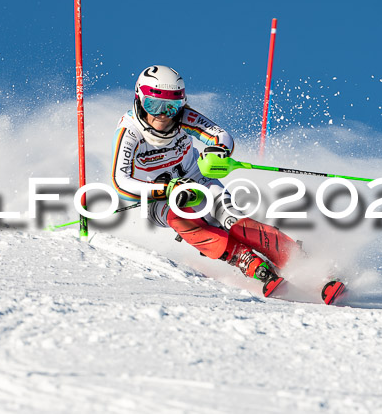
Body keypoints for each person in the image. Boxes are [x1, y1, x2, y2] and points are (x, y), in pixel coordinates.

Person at [111, 65, 303, 296]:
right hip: (159, 199)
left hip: (198, 180)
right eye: (154, 105)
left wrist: (217, 151)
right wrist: (166, 189)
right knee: (181, 219)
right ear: (140, 99)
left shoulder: (184, 118)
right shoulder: (130, 132)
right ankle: (246, 261)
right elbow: (119, 182)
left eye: (171, 107)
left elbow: (221, 135)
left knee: (233, 220)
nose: (162, 115)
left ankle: (299, 260)